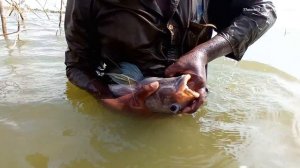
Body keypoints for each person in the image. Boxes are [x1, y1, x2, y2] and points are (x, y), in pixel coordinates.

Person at [64, 0, 276, 114]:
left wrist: (203, 54)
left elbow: (263, 11)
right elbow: (77, 65)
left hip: (187, 111)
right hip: (122, 115)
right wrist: (111, 101)